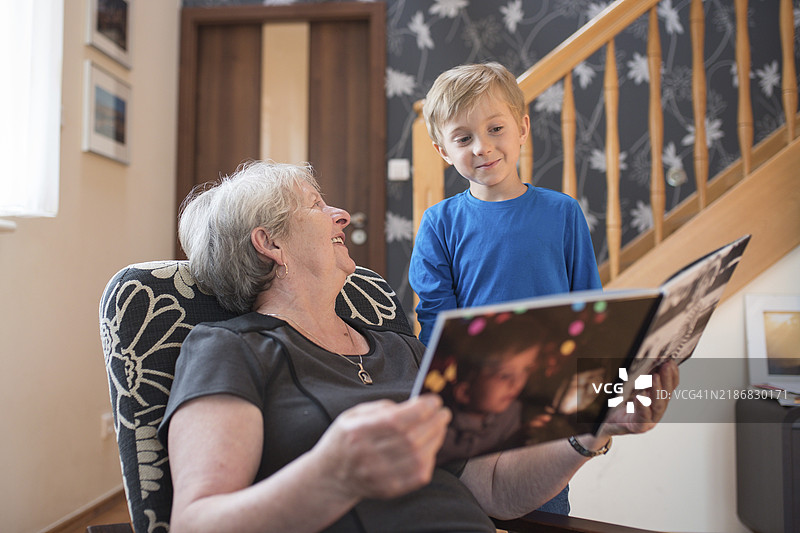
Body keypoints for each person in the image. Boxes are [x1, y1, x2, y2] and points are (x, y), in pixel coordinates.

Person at [158, 160, 679, 533]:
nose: (342, 216)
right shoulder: (228, 348)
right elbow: (195, 523)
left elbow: (495, 489)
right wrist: (332, 475)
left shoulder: (401, 350)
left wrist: (594, 425)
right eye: (316, 205)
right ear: (270, 242)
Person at [409, 62, 603, 514]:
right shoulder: (439, 223)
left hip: (546, 402)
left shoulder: (563, 213)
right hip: (472, 405)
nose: (482, 147)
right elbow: (435, 323)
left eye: (495, 128)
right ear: (443, 151)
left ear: (522, 129)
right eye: (463, 138)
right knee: (467, 512)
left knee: (543, 510)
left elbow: (589, 308)